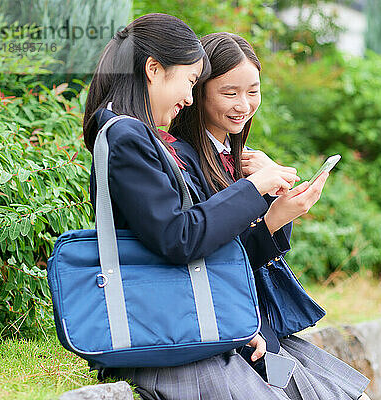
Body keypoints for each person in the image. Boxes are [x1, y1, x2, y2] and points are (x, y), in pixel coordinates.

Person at [83, 14, 311, 399]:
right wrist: (254, 187)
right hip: (161, 337)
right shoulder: (126, 136)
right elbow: (180, 237)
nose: (189, 98)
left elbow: (184, 241)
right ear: (154, 70)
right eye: (190, 81)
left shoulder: (137, 135)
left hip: (176, 325)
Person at [166, 32, 371, 400]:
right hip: (230, 327)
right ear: (197, 91)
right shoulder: (183, 161)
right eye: (230, 93)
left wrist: (279, 205)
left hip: (256, 321)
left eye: (253, 91)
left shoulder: (245, 161)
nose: (243, 105)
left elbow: (258, 252)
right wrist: (274, 215)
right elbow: (210, 255)